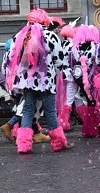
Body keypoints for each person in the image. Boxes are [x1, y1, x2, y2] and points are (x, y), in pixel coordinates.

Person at [5, 9, 72, 154]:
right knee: (50, 111)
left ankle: (23, 144)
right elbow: (59, 60)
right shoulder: (50, 36)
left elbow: (12, 56)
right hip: (46, 80)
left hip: (27, 81)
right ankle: (59, 143)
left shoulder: (21, 35)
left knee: (28, 110)